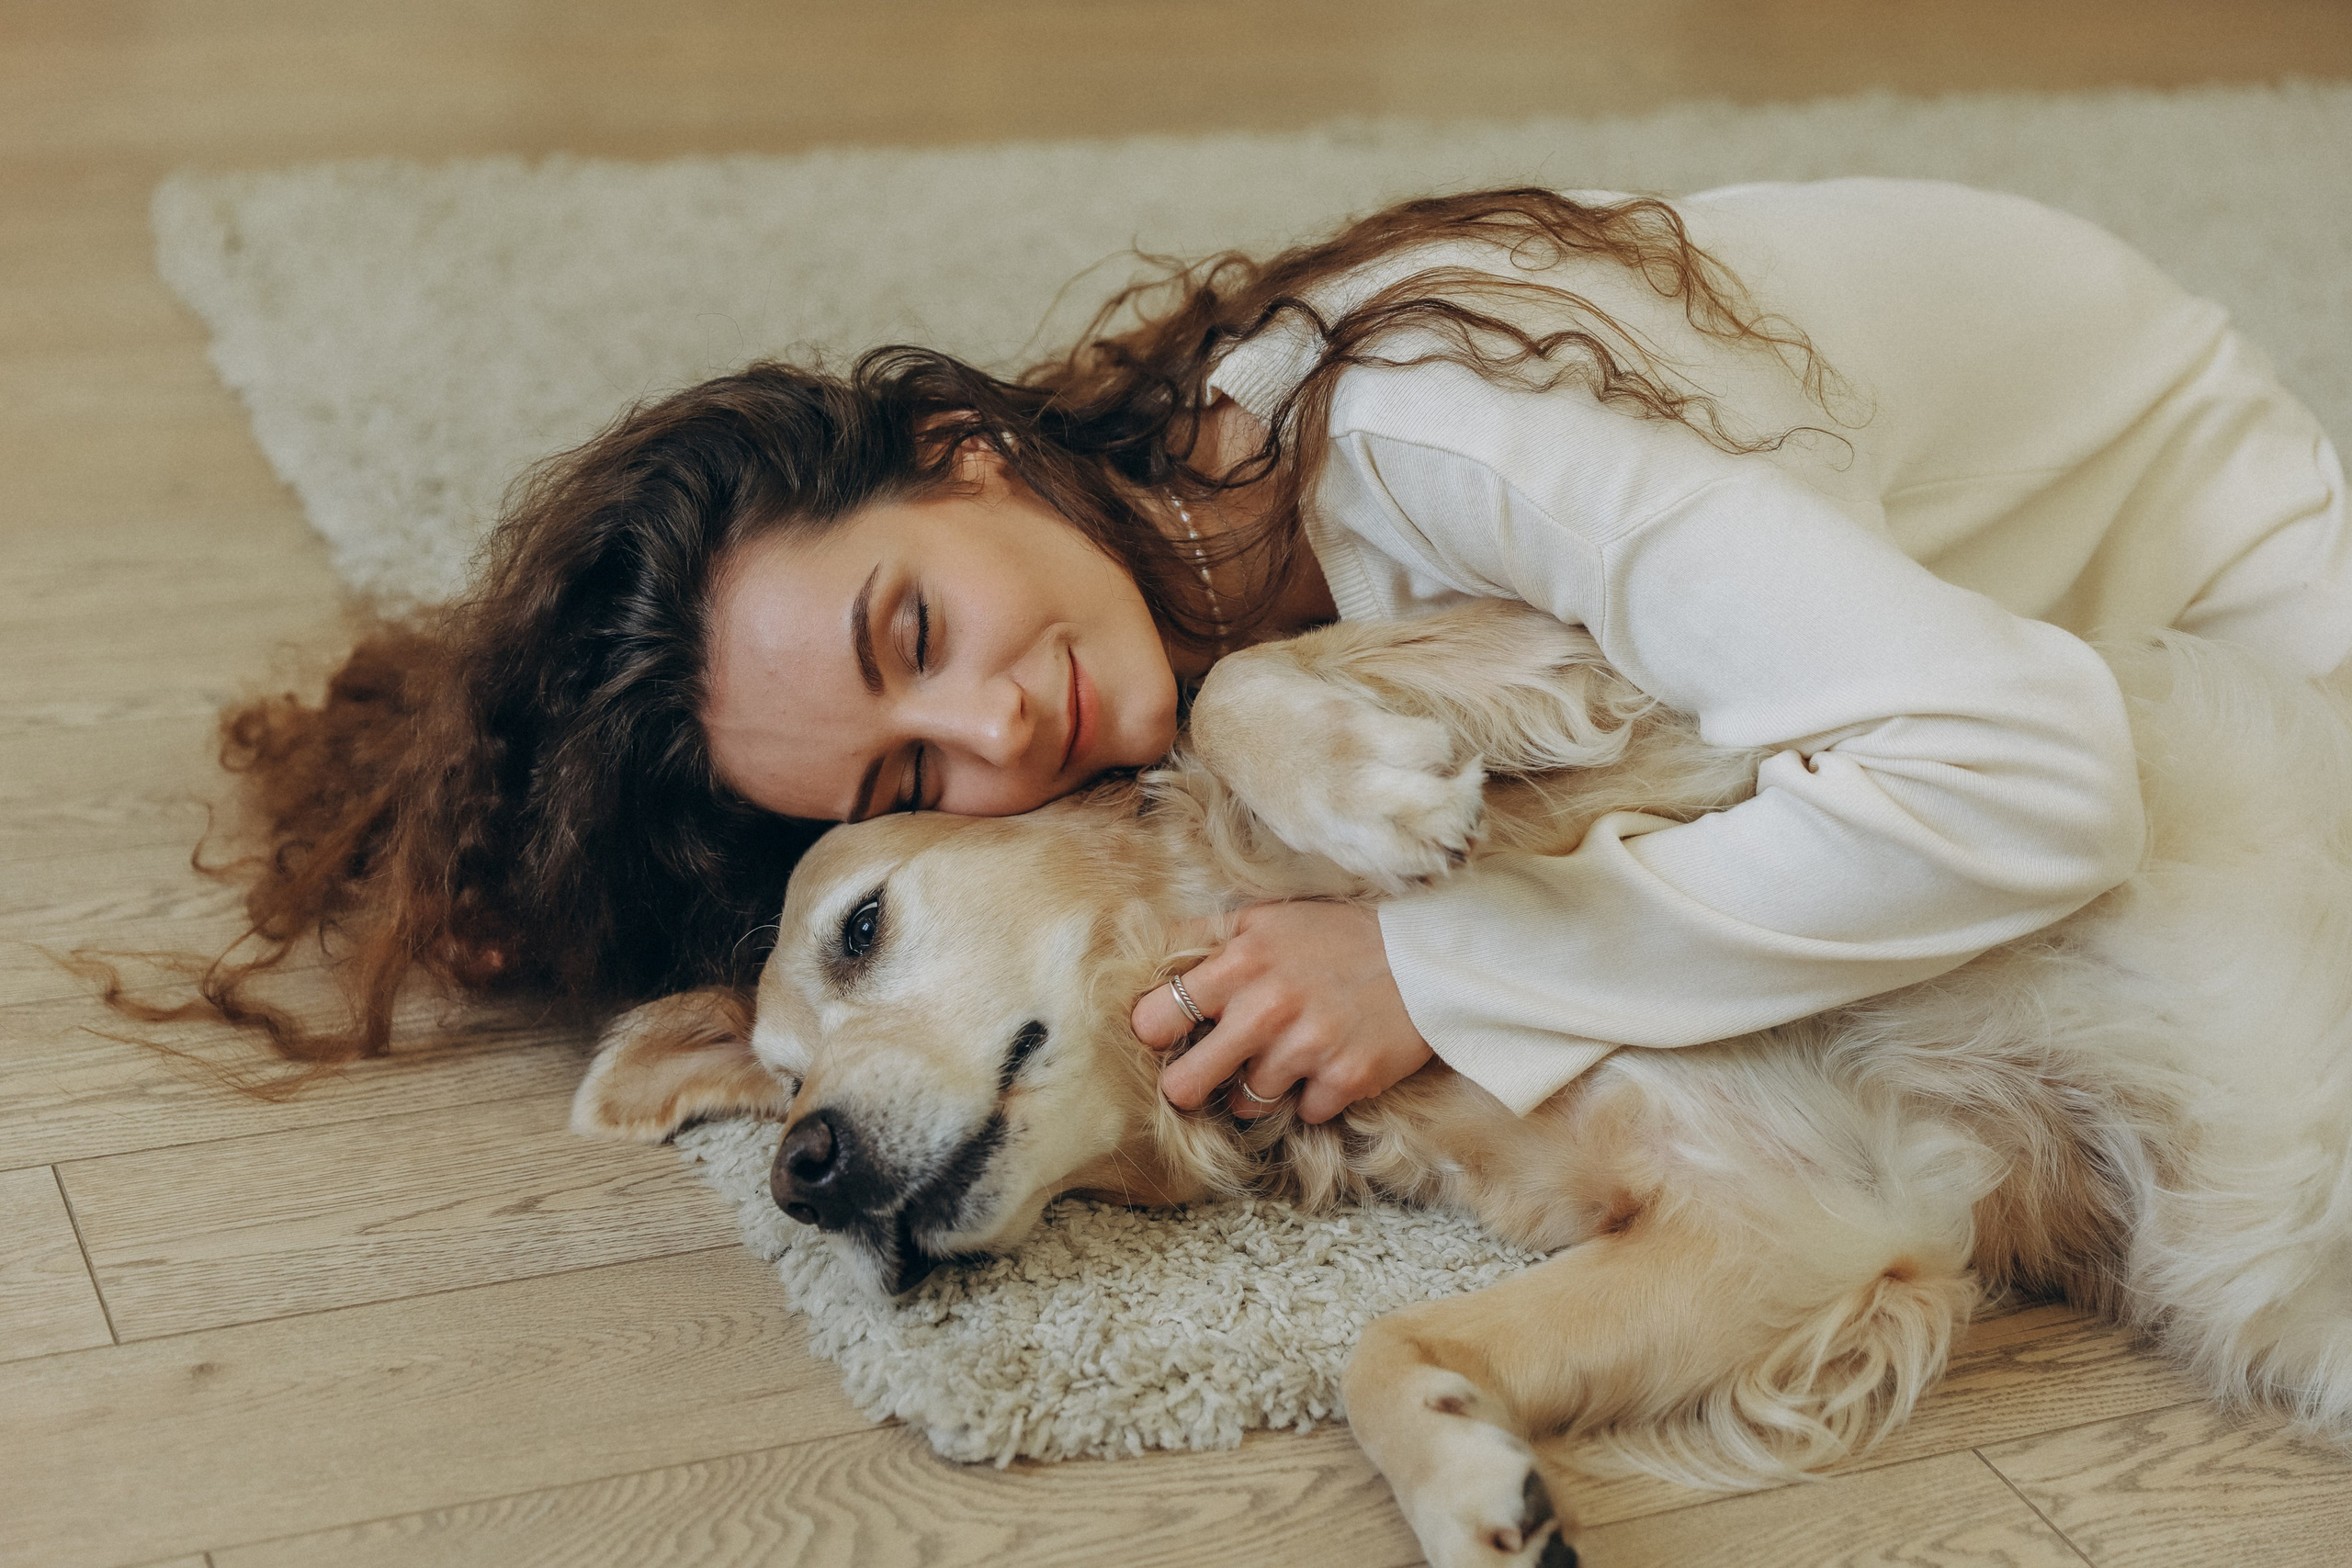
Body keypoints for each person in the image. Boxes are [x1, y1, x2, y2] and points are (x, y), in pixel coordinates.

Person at [185, 180, 2350, 1124]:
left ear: (963, 451)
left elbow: (2029, 771)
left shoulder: (1423, 424)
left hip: (2223, 570)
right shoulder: (1158, 536)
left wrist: (1437, 971)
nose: (990, 721)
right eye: (900, 780)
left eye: (910, 627)